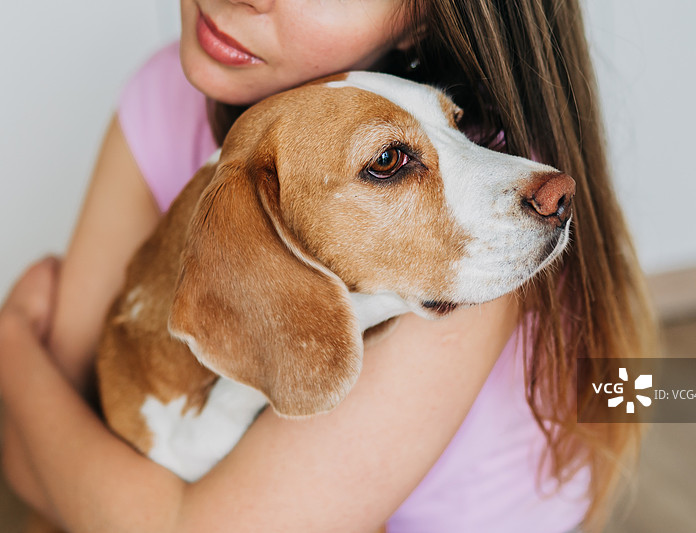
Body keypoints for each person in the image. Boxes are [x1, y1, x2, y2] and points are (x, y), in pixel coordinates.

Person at [0, 1, 657, 532]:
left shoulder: (481, 224)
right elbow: (29, 465)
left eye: (392, 160)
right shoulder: (162, 95)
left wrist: (11, 351)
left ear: (424, 16)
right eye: (390, 161)